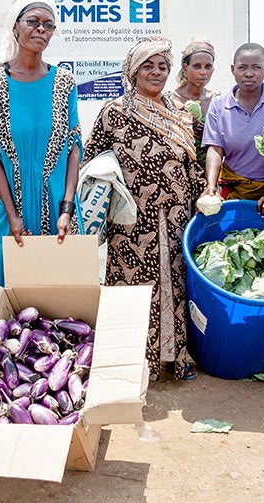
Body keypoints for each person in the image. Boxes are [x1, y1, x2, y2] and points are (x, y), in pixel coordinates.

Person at [83, 36, 204, 381]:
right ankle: (131, 364)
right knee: (133, 290)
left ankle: (173, 359)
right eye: (147, 66)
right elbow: (93, 162)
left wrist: (201, 203)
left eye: (162, 66)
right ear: (133, 71)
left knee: (175, 286)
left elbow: (191, 164)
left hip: (177, 216)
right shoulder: (115, 112)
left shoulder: (180, 113)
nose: (156, 72)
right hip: (133, 221)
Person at [0, 0, 83, 285]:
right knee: (11, 280)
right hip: (12, 201)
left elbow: (74, 148)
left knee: (63, 285)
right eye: (33, 21)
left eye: (48, 25)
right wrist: (12, 215)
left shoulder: (64, 81)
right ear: (15, 27)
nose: (41, 29)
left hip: (57, 201)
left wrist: (67, 208)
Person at [201, 42, 264, 217]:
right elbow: (215, 148)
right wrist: (211, 187)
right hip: (235, 188)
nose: (249, 73)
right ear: (233, 69)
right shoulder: (219, 106)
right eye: (242, 67)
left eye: (256, 67)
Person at [169, 37, 219, 168]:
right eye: (197, 66)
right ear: (185, 68)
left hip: (211, 171)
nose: (203, 72)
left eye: (208, 67)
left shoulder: (218, 100)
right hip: (178, 170)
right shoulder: (169, 99)